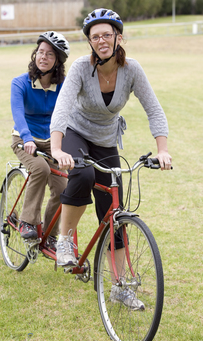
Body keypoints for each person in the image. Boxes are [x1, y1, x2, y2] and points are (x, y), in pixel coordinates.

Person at [50, 9, 172, 308]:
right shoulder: (80, 67)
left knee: (114, 214)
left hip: (106, 141)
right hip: (77, 134)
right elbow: (63, 109)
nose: (101, 41)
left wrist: (163, 149)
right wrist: (57, 148)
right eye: (95, 37)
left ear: (119, 37)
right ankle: (65, 239)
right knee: (83, 175)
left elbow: (153, 109)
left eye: (107, 35)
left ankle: (119, 285)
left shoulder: (132, 70)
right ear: (90, 42)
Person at [10, 31, 70, 249]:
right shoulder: (20, 83)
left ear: (58, 62)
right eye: (40, 52)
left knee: (63, 187)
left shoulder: (63, 86)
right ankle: (28, 221)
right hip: (25, 139)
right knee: (41, 169)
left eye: (50, 55)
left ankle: (50, 234)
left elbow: (68, 114)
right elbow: (18, 114)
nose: (43, 57)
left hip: (52, 141)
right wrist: (27, 138)